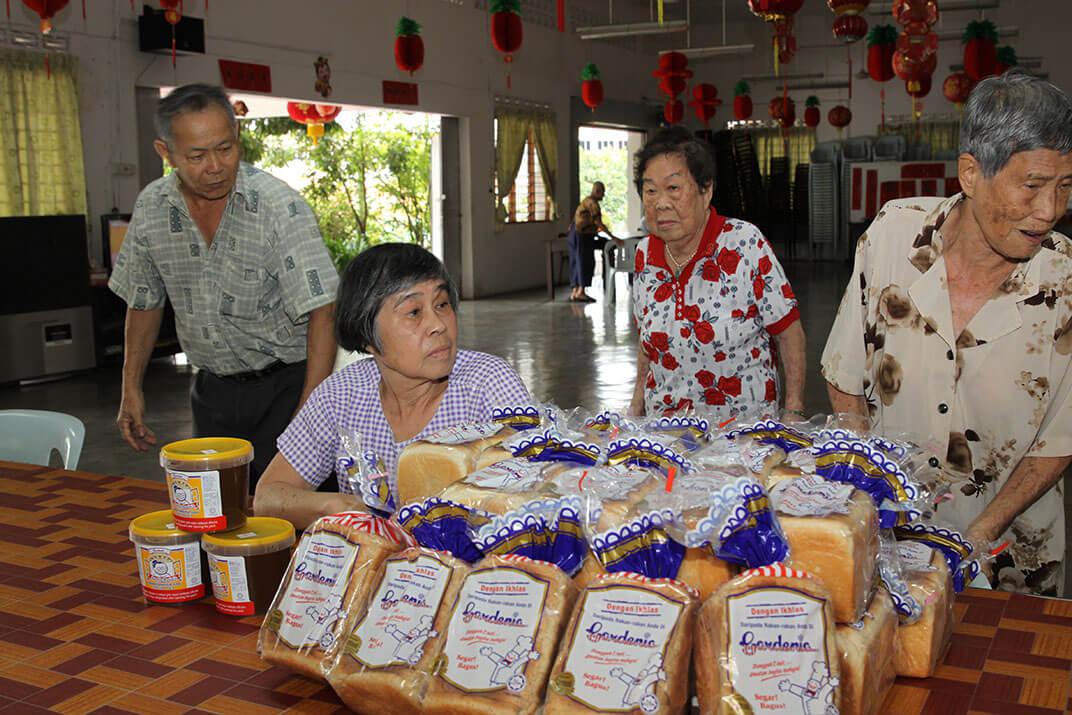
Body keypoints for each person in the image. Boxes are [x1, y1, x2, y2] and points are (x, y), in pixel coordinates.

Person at [821, 71, 1072, 596]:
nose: (1049, 211)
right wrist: (869, 491)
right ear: (970, 174)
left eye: (1065, 187)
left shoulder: (1063, 284)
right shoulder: (893, 237)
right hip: (894, 547)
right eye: (1032, 186)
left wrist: (979, 534)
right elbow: (846, 376)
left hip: (1010, 560)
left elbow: (1059, 439)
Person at [109, 84, 338, 489]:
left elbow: (323, 308)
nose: (215, 166)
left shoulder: (276, 207)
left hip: (285, 387)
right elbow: (143, 301)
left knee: (292, 520)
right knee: (220, 517)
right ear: (166, 152)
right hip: (212, 392)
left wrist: (310, 410)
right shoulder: (153, 208)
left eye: (226, 148)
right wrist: (131, 387)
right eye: (196, 156)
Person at [253, 243, 531, 528]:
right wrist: (342, 507)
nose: (438, 325)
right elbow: (268, 497)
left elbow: (543, 490)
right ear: (368, 338)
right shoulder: (340, 396)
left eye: (442, 304)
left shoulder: (488, 385)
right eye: (413, 312)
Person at [628, 126, 806, 420]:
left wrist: (795, 410)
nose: (660, 203)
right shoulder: (645, 254)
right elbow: (647, 344)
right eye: (650, 191)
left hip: (743, 432)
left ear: (706, 190)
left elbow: (789, 332)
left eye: (673, 188)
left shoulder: (744, 243)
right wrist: (636, 407)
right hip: (667, 430)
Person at [568, 181, 620, 302]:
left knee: (575, 261)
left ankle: (575, 292)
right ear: (597, 191)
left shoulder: (585, 201)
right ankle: (581, 291)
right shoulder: (592, 203)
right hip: (582, 235)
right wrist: (613, 237)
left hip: (575, 234)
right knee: (584, 261)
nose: (603, 195)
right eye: (602, 192)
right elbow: (598, 223)